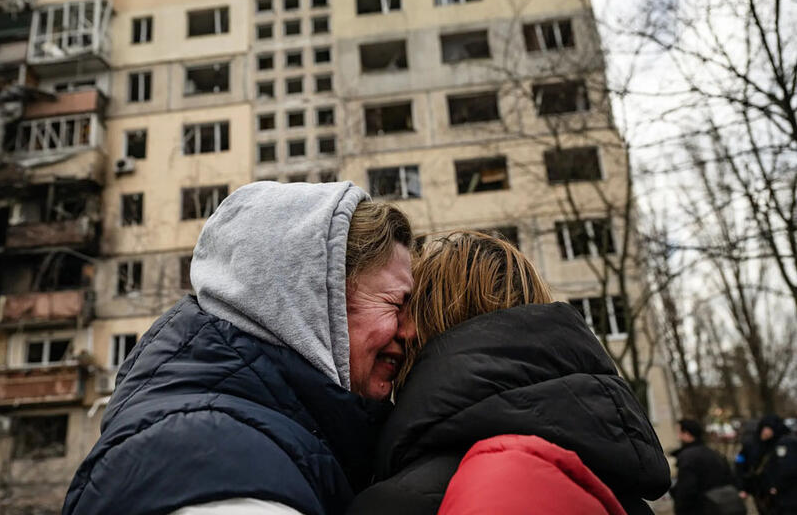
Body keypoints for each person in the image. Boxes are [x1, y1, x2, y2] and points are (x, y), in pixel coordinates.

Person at [62, 181, 415, 515]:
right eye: (396, 303)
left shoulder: (258, 439)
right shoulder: (214, 464)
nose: (410, 331)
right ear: (312, 303)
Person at [348, 231, 671, 515]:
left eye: (404, 307)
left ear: (428, 321)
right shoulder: (616, 484)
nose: (400, 331)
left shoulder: (400, 501)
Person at [669, 419, 738, 515]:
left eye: (679, 432)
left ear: (687, 434)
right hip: (719, 507)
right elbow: (729, 479)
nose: (678, 436)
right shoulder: (714, 453)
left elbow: (686, 490)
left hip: (698, 509)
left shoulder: (688, 457)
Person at [738, 415, 796, 515]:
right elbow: (740, 461)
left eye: (768, 429)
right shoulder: (755, 443)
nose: (765, 432)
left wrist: (776, 487)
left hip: (782, 495)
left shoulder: (785, 443)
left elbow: (787, 468)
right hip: (765, 493)